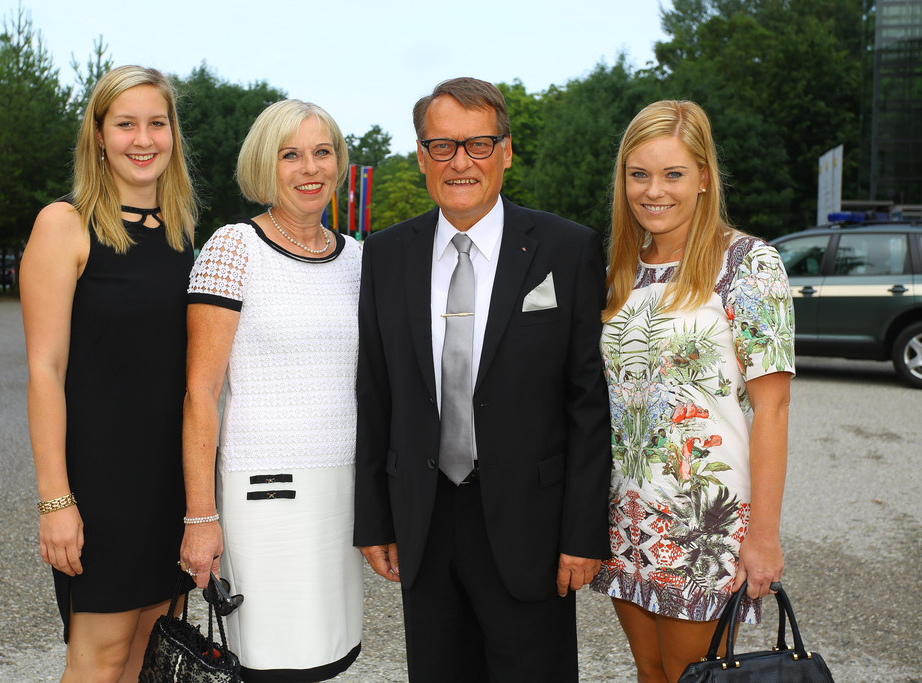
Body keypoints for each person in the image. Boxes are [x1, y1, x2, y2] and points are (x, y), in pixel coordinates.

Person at [354, 77, 612, 682]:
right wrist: (375, 519)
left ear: (506, 151)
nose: (461, 162)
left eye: (478, 144)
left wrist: (583, 532)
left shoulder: (566, 248)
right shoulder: (385, 255)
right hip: (423, 518)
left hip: (531, 522)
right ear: (422, 157)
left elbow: (587, 401)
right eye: (442, 146)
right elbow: (375, 391)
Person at [589, 100, 795, 682]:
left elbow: (773, 408)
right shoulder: (619, 272)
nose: (654, 191)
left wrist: (764, 536)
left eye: (673, 174)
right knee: (650, 671)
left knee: (693, 675)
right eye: (639, 174)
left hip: (703, 522)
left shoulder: (747, 264)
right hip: (626, 518)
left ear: (704, 177)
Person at [20, 65, 197, 681]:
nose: (143, 139)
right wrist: (55, 500)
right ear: (98, 135)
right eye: (125, 124)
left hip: (172, 482)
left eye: (157, 123)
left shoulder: (183, 232)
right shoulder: (63, 224)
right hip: (101, 486)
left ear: (173, 134)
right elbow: (44, 370)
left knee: (151, 654)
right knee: (100, 657)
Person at [179, 99, 363, 682]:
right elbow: (200, 392)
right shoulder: (233, 248)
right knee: (266, 662)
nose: (310, 168)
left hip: (342, 492)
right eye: (291, 155)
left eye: (322, 152)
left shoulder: (358, 259)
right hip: (265, 495)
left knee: (325, 658)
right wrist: (200, 516)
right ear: (265, 163)